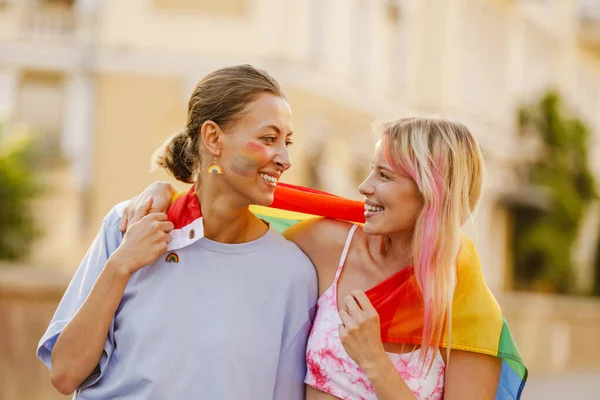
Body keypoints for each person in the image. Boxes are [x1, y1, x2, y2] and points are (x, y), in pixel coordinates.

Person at [123, 117, 526, 399]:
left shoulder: (467, 308)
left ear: (431, 193)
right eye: (372, 170)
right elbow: (232, 225)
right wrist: (165, 195)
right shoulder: (330, 245)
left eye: (384, 176)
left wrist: (374, 361)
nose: (364, 187)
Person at [37, 64, 318, 399]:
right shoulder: (128, 226)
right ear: (213, 138)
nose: (284, 158)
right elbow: (65, 374)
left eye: (286, 142)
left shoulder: (292, 275)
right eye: (268, 139)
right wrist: (121, 265)